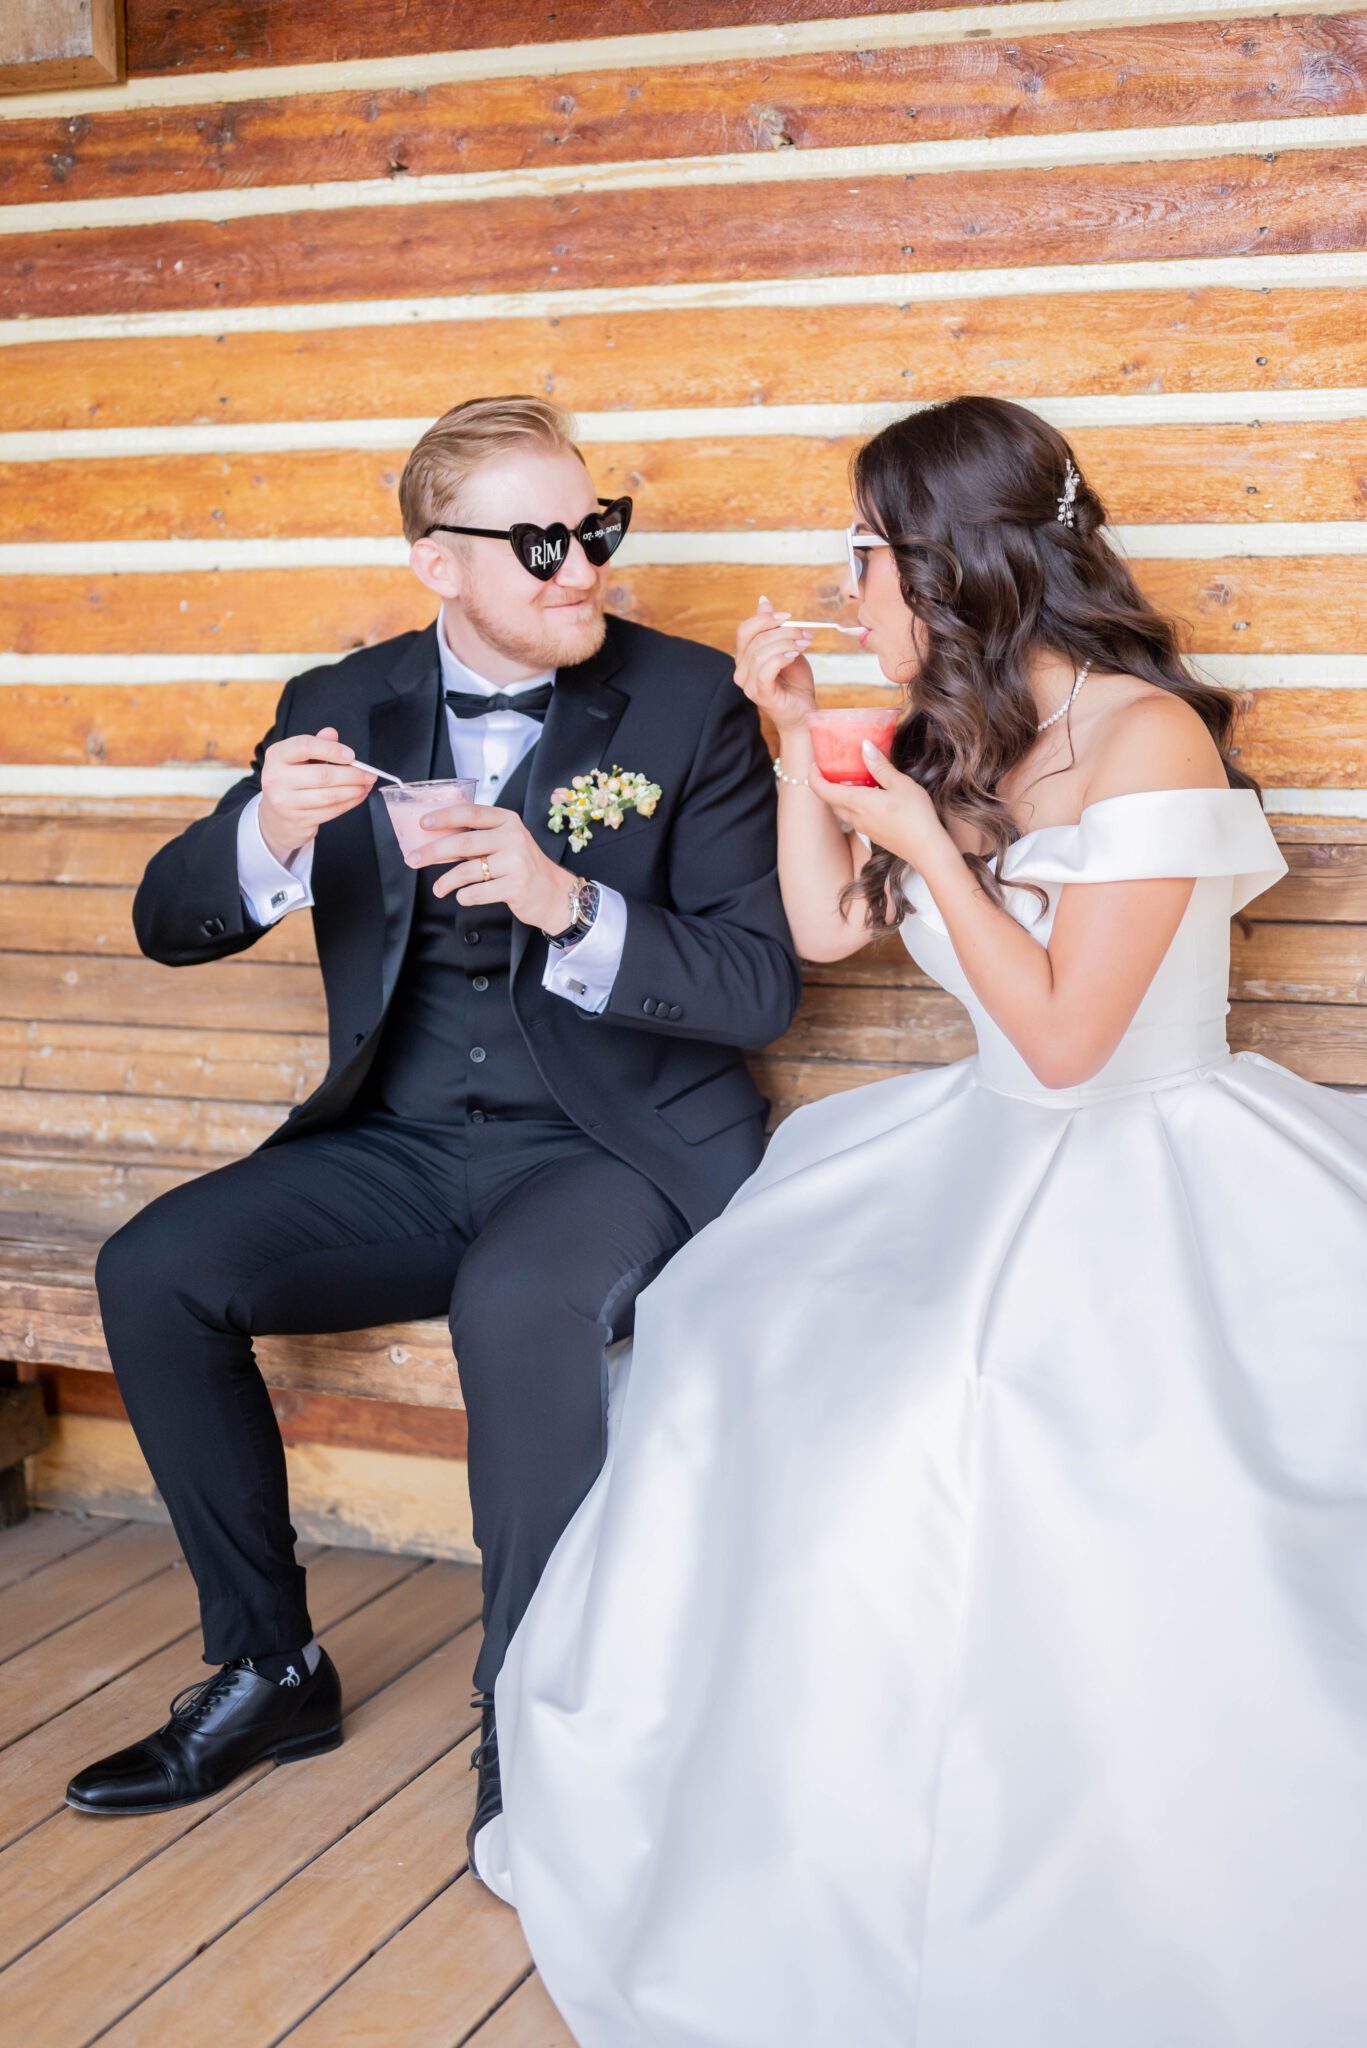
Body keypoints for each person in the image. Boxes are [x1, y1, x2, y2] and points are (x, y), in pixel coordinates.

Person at [475, 397, 1367, 2046]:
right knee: (733, 1345)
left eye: (868, 555)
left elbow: (1071, 1038)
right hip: (981, 1148)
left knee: (985, 1427)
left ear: (960, 560)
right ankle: (790, 1801)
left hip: (1147, 1154)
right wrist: (794, 733)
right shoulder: (953, 724)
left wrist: (929, 854)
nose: (847, 580)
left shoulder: (1141, 736)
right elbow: (819, 926)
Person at [66, 397, 800, 1849]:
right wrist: (270, 835)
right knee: (152, 1271)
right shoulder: (339, 704)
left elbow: (757, 982)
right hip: (399, 1148)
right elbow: (167, 918)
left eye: (595, 530)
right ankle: (269, 1665)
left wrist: (567, 901)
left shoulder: (687, 704)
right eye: (539, 542)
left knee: (518, 1307)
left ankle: (531, 1719)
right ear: (436, 564)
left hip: (611, 1148)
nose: (580, 567)